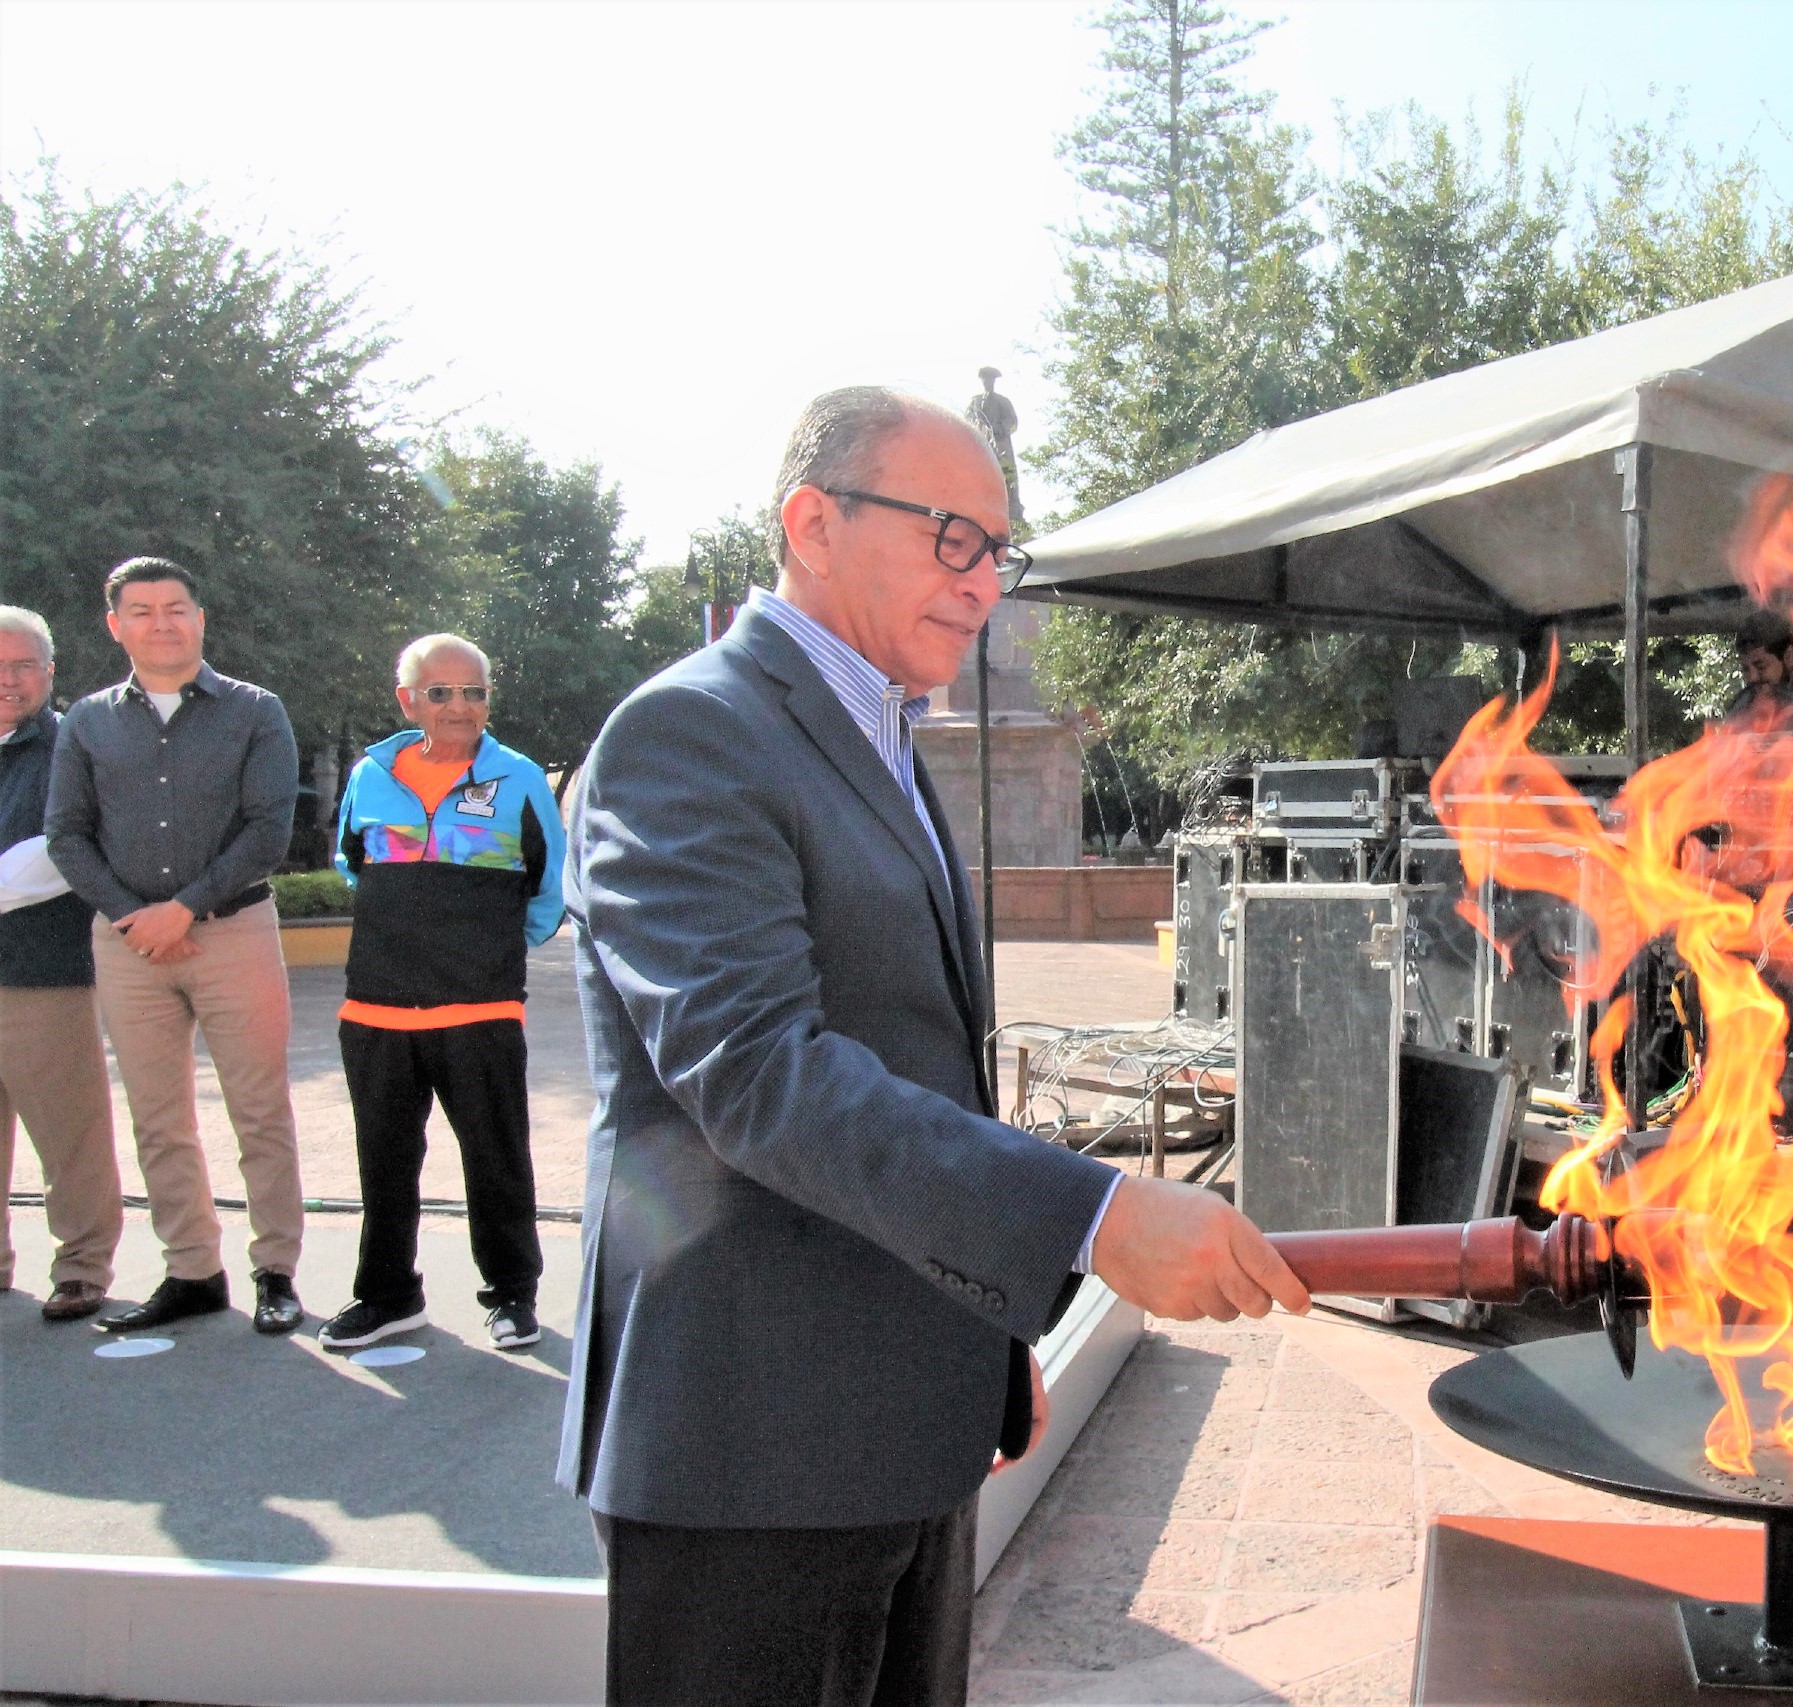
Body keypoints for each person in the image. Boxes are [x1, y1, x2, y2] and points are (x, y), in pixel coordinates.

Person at [561, 386, 1312, 1706]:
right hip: (752, 1448)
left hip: (899, 1424)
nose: (982, 584)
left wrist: (972, 1319)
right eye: (950, 536)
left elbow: (912, 1068)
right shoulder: (689, 732)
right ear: (812, 522)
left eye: (998, 550)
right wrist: (1087, 1214)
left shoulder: (880, 735)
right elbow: (758, 1076)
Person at [45, 557, 305, 1336]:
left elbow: (269, 830)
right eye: (142, 609)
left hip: (234, 933)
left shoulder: (257, 711)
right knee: (159, 1118)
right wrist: (135, 916)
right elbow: (67, 833)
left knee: (258, 1107)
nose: (162, 622)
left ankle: (276, 1269)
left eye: (176, 607)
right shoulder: (88, 721)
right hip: (128, 945)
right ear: (115, 623)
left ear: (200, 618)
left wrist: (184, 909)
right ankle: (191, 1268)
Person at [316, 635, 564, 1354]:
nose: (460, 705)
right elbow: (354, 862)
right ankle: (388, 1295)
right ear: (408, 700)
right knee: (384, 1162)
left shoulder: (517, 779)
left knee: (496, 1159)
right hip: (376, 1006)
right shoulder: (370, 774)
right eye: (442, 692)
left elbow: (548, 891)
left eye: (475, 691)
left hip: (479, 1007)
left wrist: (485, 951)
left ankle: (512, 1295)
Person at [0, 607, 123, 1323]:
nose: (8, 680)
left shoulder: (75, 744)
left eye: (23, 665)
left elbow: (57, 851)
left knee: (69, 1133)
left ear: (50, 671)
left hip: (44, 971)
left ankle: (81, 1264)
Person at [1722, 608, 1793, 733]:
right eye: (1746, 669)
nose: (1752, 677)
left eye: (1761, 667)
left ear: (1788, 657)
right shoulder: (1744, 706)